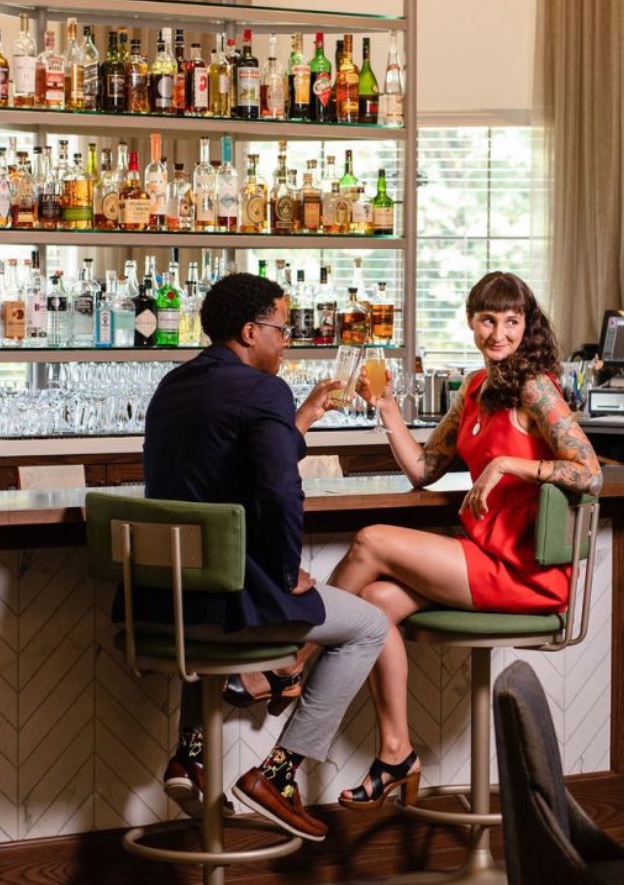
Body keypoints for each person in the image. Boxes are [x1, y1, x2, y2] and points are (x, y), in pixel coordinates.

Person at [325, 271, 602, 808]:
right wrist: (387, 410)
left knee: (371, 541)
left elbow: (590, 472)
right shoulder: (475, 389)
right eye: (488, 320)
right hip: (482, 555)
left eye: (512, 322)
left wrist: (510, 464)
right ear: (472, 322)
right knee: (377, 604)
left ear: (527, 326)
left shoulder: (534, 387)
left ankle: (292, 663)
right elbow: (424, 469)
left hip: (522, 569)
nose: (499, 333)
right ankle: (395, 753)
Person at [135, 271, 386, 842]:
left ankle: (191, 754)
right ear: (251, 332)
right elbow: (278, 491)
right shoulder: (262, 390)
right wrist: (282, 571)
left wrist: (297, 422)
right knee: (369, 625)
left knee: (205, 602)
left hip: (166, 602)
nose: (287, 341)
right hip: (234, 602)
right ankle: (277, 775)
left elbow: (223, 463)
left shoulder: (173, 384)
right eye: (281, 329)